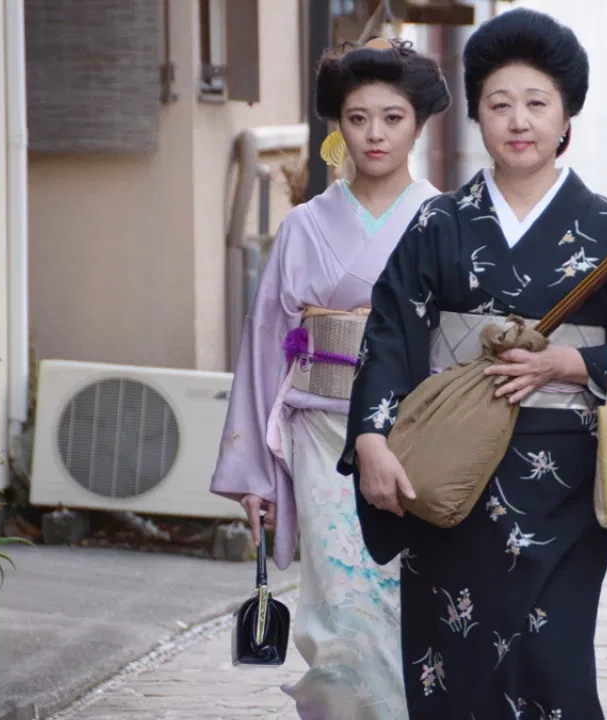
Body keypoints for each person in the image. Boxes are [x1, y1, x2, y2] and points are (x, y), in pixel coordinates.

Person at [337, 8, 607, 719]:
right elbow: (394, 333)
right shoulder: (441, 224)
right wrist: (371, 439)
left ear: (566, 119)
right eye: (499, 104)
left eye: (536, 103)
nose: (517, 120)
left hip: (562, 475)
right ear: (478, 117)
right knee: (453, 662)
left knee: (553, 662)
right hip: (449, 473)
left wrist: (570, 363)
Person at [209, 37, 451, 719]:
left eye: (392, 117)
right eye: (357, 117)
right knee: (340, 611)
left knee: (409, 606)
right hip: (320, 437)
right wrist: (256, 473)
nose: (374, 134)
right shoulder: (305, 228)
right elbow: (264, 353)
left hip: (418, 439)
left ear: (419, 122)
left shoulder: (445, 223)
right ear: (336, 126)